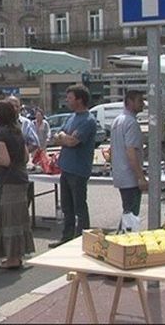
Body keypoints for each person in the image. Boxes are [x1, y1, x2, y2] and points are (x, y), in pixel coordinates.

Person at [0, 101, 34, 269]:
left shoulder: (1, 134)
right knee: (19, 219)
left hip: (8, 180)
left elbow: (4, 160)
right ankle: (18, 255)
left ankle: (12, 259)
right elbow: (26, 157)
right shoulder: (17, 132)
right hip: (21, 178)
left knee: (9, 220)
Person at [48, 85, 97, 248]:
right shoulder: (71, 117)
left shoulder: (88, 120)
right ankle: (66, 237)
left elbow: (72, 141)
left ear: (79, 99)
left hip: (78, 170)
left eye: (69, 98)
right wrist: (64, 137)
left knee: (79, 206)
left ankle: (84, 239)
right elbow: (57, 137)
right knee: (67, 207)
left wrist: (64, 137)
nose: (66, 100)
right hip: (66, 168)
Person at [110, 90, 148, 220]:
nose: (143, 104)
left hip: (120, 175)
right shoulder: (131, 123)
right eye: (139, 101)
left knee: (127, 212)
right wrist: (141, 177)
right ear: (129, 102)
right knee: (131, 216)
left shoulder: (117, 121)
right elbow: (131, 152)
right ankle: (126, 238)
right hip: (130, 178)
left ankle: (124, 236)